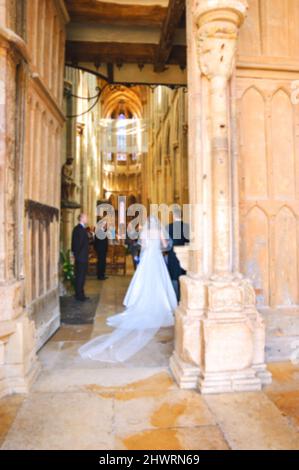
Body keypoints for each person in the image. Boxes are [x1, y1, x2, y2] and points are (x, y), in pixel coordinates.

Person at [78, 216, 177, 363]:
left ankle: (142, 303)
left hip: (147, 259)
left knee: (144, 282)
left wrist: (144, 254)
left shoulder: (144, 232)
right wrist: (158, 247)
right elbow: (165, 245)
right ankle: (159, 304)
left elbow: (142, 247)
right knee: (159, 283)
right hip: (157, 259)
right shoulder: (159, 232)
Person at [166, 207, 189, 301]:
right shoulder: (187, 226)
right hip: (185, 256)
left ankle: (175, 299)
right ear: (181, 215)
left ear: (173, 216)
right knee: (183, 276)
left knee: (174, 279)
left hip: (172, 256)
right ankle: (184, 298)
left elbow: (166, 243)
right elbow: (190, 241)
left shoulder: (168, 227)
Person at [71, 213, 89, 301]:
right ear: (81, 218)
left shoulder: (82, 229)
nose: (87, 219)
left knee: (82, 276)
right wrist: (77, 255)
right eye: (86, 217)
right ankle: (79, 295)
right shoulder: (78, 229)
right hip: (81, 257)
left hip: (83, 257)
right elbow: (76, 244)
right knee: (80, 276)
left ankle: (81, 293)